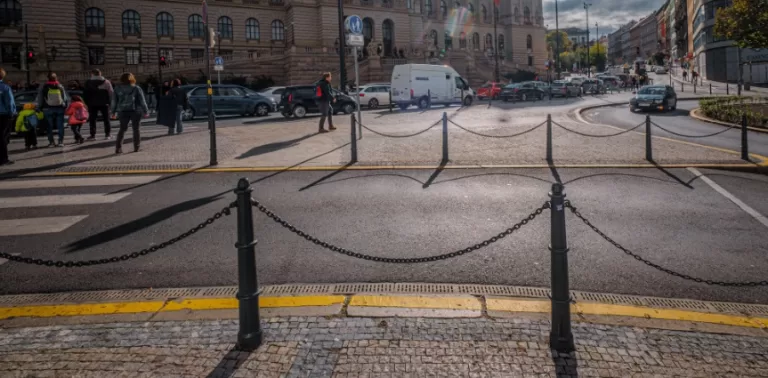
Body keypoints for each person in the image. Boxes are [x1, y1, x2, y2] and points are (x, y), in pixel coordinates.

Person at [111, 72, 149, 154]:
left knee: (122, 129)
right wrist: (146, 111)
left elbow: (114, 101)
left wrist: (113, 112)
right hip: (135, 110)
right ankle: (136, 147)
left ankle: (118, 148)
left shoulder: (117, 88)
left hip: (122, 110)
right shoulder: (136, 88)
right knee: (136, 129)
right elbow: (142, 101)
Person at [36, 73, 69, 147]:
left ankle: (51, 142)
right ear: (56, 78)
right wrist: (65, 106)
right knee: (60, 125)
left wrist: (39, 107)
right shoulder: (60, 86)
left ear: (48, 78)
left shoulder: (44, 86)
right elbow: (64, 98)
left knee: (49, 126)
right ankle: (60, 141)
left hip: (47, 108)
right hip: (59, 107)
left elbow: (40, 98)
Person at [83, 69, 114, 140]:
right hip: (104, 103)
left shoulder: (88, 82)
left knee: (92, 119)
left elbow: (85, 94)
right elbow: (111, 93)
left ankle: (92, 135)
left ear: (92, 74)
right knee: (106, 119)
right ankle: (107, 134)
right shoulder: (106, 82)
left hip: (92, 103)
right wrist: (110, 101)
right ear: (100, 74)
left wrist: (86, 102)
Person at [0, 68, 15, 165]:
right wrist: (12, 113)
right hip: (3, 115)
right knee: (2, 137)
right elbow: (10, 103)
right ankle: (3, 159)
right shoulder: (4, 87)